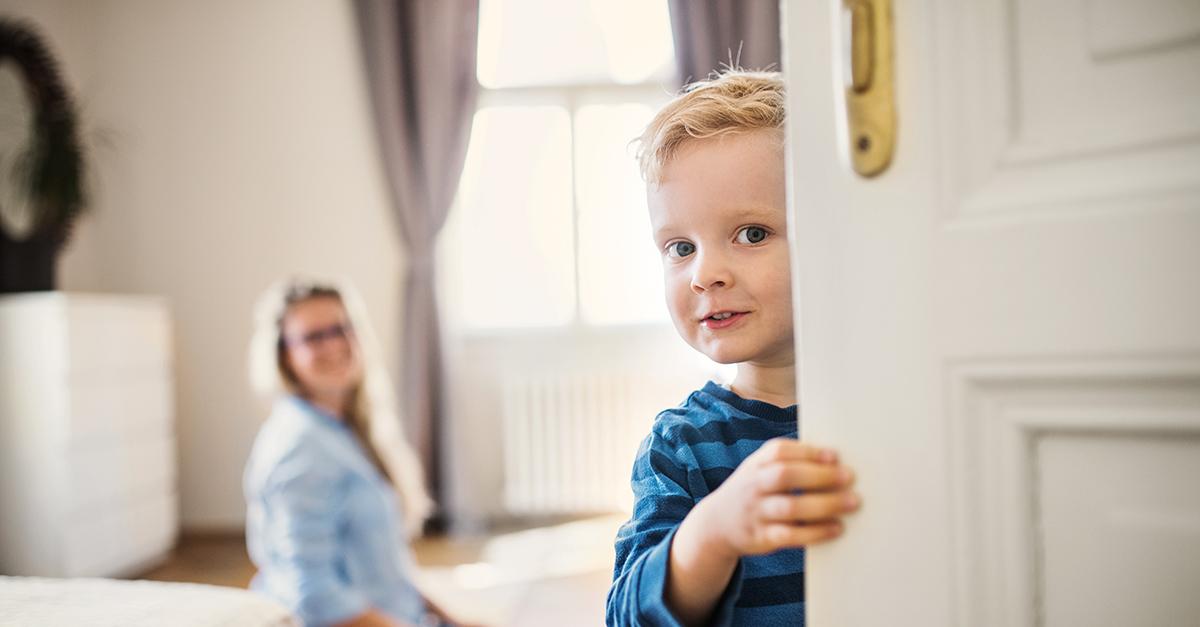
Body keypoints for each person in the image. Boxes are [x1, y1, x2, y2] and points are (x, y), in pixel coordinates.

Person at [606, 70, 863, 626]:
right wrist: (713, 531)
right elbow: (627, 616)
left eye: (751, 233)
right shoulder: (682, 447)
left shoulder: (891, 408)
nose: (705, 274)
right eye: (680, 247)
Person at [244, 278, 464, 627]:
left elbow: (387, 570)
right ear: (285, 354)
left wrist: (453, 618)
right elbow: (315, 596)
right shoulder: (299, 448)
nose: (334, 344)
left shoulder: (344, 427)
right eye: (314, 337)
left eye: (341, 328)